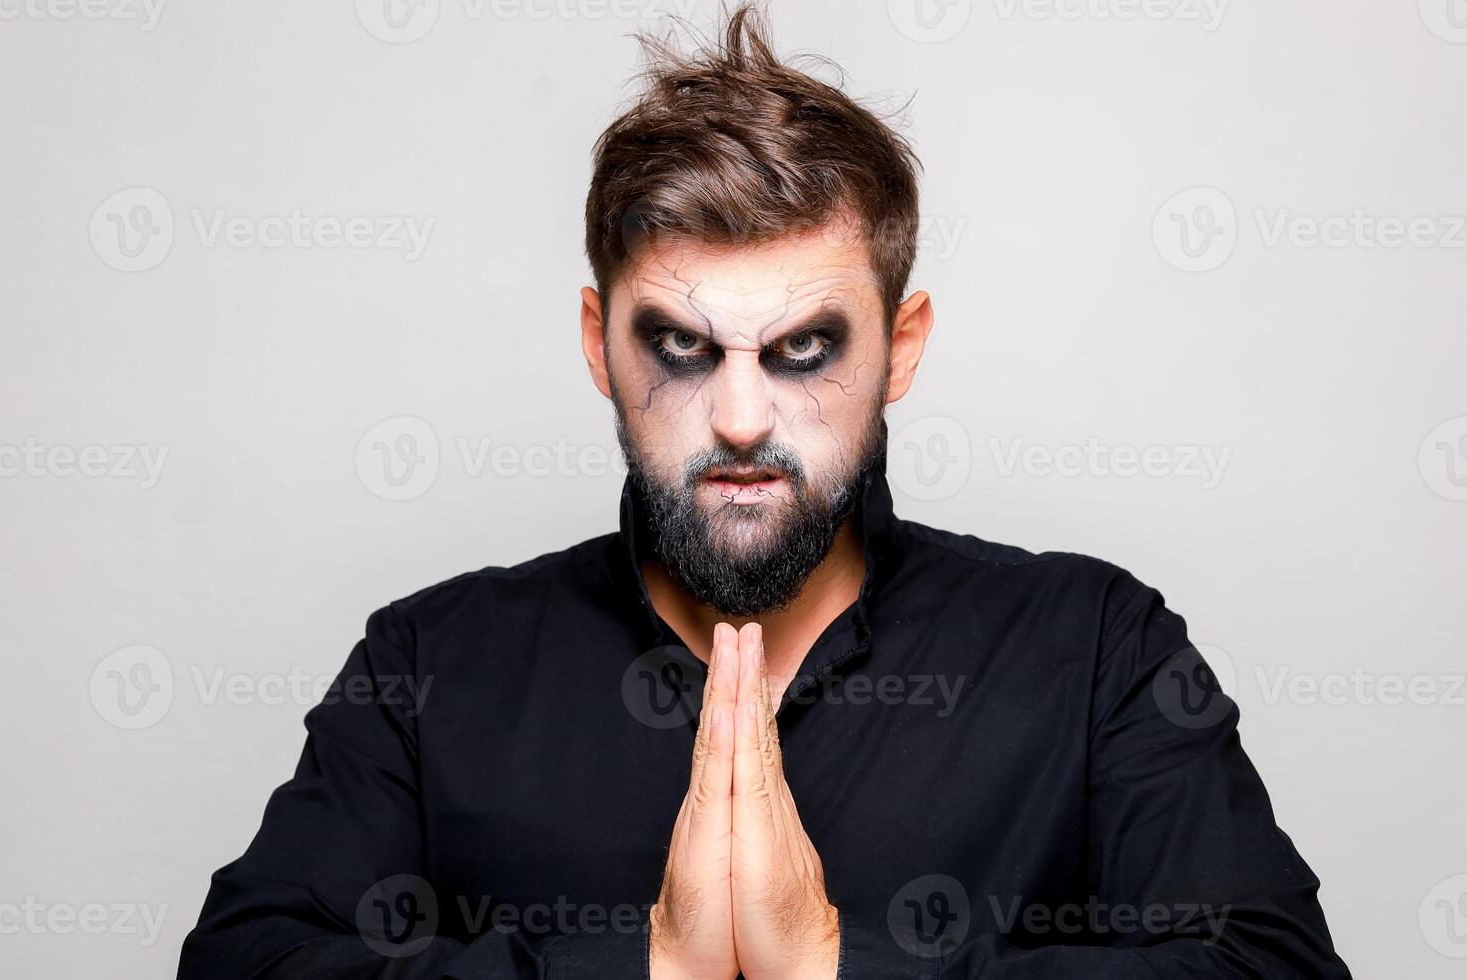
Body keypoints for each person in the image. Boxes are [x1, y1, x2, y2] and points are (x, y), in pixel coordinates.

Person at [178, 5, 1350, 977]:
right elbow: (243, 961)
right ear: (600, 343)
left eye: (804, 349)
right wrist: (649, 969)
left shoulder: (1094, 650)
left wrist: (837, 965)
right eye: (681, 346)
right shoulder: (429, 664)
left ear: (901, 346)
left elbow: (1271, 966)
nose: (740, 417)